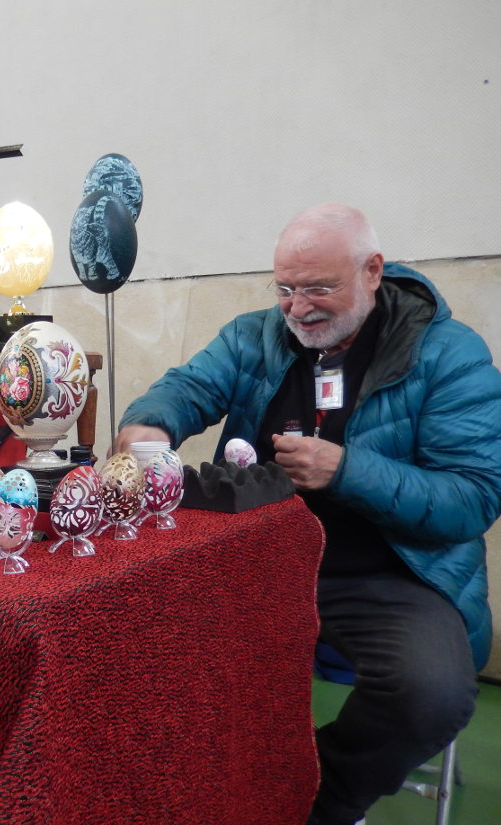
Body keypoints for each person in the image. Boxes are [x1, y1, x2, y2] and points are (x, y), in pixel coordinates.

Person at [114, 203, 501, 825]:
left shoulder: (447, 355)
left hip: (390, 573)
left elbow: (473, 498)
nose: (298, 308)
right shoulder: (255, 335)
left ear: (372, 271)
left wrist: (345, 471)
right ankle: (178, 788)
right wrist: (147, 428)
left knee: (430, 693)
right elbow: (188, 387)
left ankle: (309, 799)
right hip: (255, 558)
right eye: (286, 289)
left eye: (319, 288)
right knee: (126, 634)